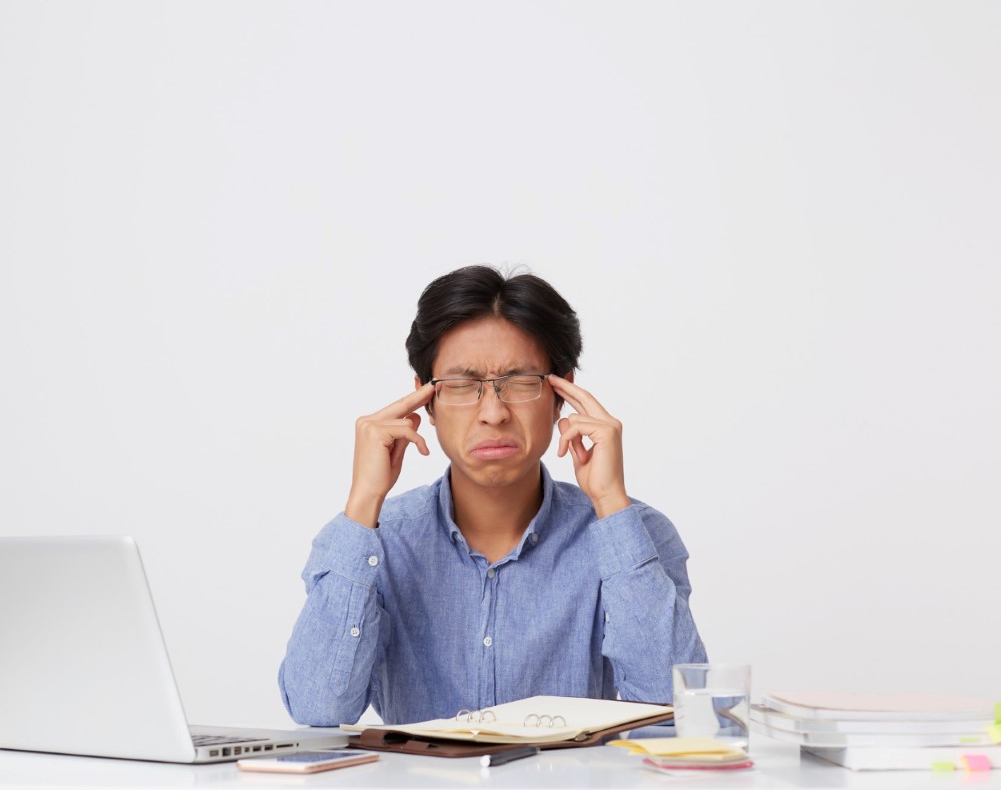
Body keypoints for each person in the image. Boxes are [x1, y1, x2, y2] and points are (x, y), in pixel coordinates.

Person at [278, 266, 707, 726]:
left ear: (562, 393)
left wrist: (610, 502)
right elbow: (316, 710)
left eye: (521, 382)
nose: (493, 413)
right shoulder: (374, 542)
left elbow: (673, 713)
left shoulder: (633, 533)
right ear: (425, 401)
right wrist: (364, 501)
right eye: (462, 385)